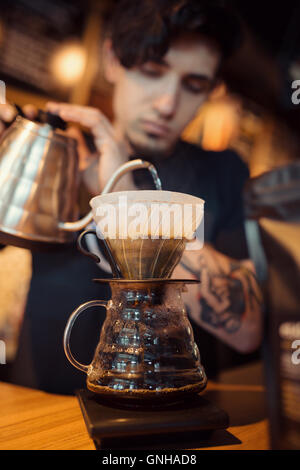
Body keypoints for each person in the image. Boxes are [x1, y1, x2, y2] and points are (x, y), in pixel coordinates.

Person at [0, 0, 262, 393]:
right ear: (111, 59)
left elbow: (247, 328)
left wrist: (126, 201)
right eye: (152, 72)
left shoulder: (224, 172)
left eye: (193, 85)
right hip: (46, 408)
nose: (167, 104)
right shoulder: (63, 153)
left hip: (172, 411)